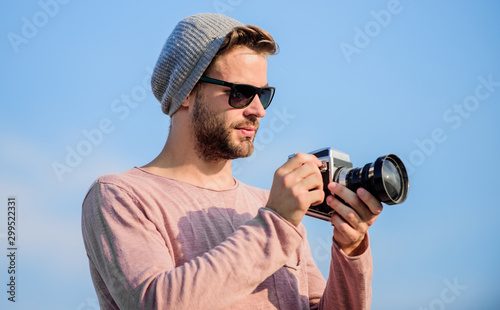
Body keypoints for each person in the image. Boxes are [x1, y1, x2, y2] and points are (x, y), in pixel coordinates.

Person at [81, 13, 383, 310]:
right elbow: (157, 304)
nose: (258, 110)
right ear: (187, 92)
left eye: (263, 95)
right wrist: (275, 225)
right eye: (240, 94)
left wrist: (350, 250)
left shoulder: (270, 206)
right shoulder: (122, 195)